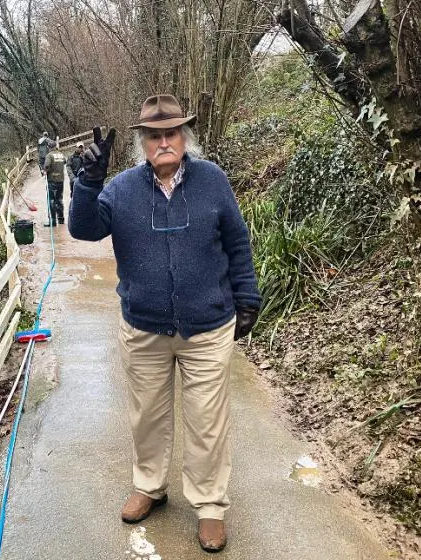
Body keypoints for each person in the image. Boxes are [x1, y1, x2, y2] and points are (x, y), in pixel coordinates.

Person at [68, 95, 261, 553]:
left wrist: (247, 297)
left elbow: (237, 240)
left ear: (184, 137)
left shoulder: (212, 180)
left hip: (208, 327)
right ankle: (150, 486)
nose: (163, 142)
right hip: (145, 328)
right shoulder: (121, 188)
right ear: (142, 143)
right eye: (154, 135)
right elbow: (84, 230)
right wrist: (88, 183)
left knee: (207, 421)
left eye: (171, 133)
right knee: (148, 418)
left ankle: (210, 506)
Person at [42, 143, 67, 226]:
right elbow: (65, 161)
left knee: (51, 200)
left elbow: (46, 166)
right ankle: (61, 219)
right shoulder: (61, 154)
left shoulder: (49, 156)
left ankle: (52, 221)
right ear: (55, 147)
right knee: (59, 199)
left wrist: (45, 171)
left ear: (49, 147)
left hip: (52, 180)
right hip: (61, 180)